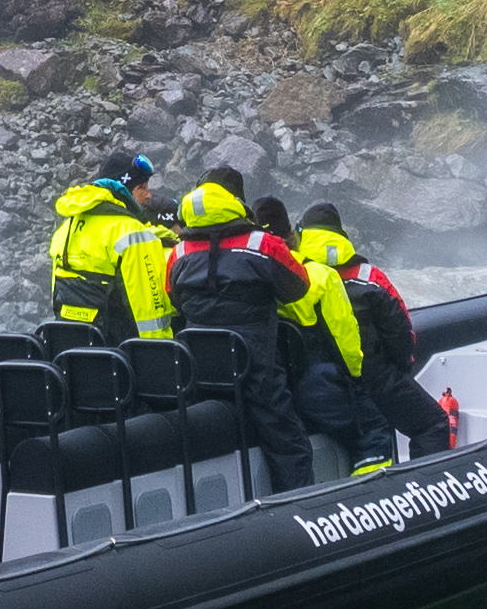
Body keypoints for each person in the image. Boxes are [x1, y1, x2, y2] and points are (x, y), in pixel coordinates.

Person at [154, 171, 315, 457]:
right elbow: (298, 287)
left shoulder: (178, 253)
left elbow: (174, 299)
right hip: (256, 361)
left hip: (199, 364)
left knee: (211, 442)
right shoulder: (263, 245)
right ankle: (296, 498)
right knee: (287, 442)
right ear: (236, 201)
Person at [300, 204, 456, 459]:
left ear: (303, 234)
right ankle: (424, 493)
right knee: (433, 425)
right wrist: (401, 370)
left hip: (315, 384)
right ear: (341, 235)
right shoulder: (369, 277)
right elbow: (400, 331)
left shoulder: (296, 275)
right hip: (373, 377)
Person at [43, 152, 173, 342]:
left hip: (69, 346)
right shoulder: (132, 233)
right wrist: (158, 352)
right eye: (141, 187)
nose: (149, 195)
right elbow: (149, 310)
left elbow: (57, 296)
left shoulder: (67, 227)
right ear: (124, 191)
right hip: (117, 353)